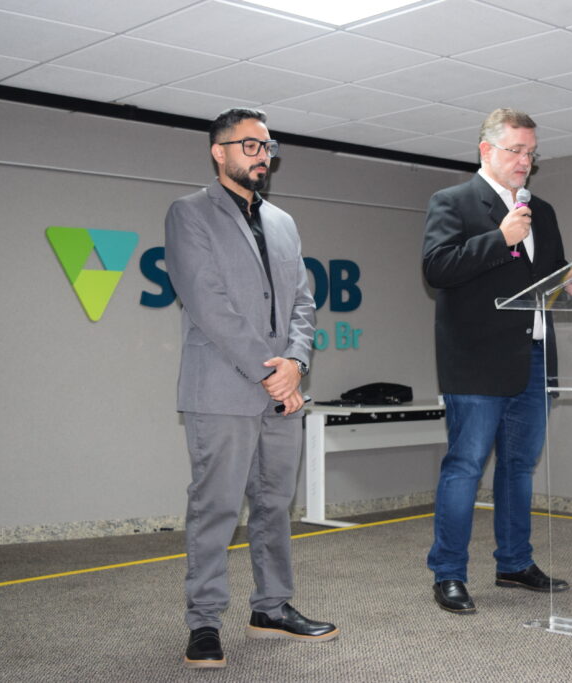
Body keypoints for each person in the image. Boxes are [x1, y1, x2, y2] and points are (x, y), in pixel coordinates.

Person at [164, 108, 338, 669]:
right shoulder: (189, 213)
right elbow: (208, 303)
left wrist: (296, 362)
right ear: (219, 152)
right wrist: (272, 372)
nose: (263, 156)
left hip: (282, 392)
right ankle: (204, 622)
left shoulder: (283, 222)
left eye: (268, 147)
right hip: (222, 390)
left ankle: (272, 608)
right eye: (251, 145)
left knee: (273, 506)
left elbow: (303, 302)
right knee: (215, 507)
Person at [421, 108, 572, 614]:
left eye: (531, 153)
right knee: (465, 467)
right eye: (516, 150)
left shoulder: (544, 212)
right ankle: (448, 573)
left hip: (533, 357)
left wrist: (571, 282)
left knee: (519, 467)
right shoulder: (452, 202)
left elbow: (548, 276)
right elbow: (437, 269)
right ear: (486, 150)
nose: (525, 161)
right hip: (476, 362)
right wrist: (501, 239)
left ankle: (514, 562)